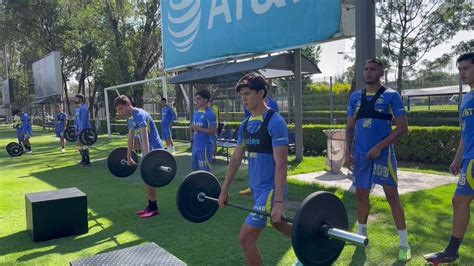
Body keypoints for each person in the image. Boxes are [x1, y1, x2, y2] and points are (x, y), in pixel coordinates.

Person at [218, 72, 291, 265]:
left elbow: (282, 164)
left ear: (261, 93)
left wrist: (278, 201)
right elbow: (235, 158)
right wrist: (224, 189)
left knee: (246, 237)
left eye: (248, 94)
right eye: (241, 95)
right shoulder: (246, 124)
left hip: (270, 190)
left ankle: (308, 243)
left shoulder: (275, 122)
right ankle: (309, 242)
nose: (243, 99)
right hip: (258, 190)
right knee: (280, 224)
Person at [344, 58, 411, 261]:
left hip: (383, 155)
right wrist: (348, 152)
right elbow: (350, 127)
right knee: (361, 195)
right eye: (365, 69)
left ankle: (404, 244)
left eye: (373, 69)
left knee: (392, 196)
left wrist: (379, 147)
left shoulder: (392, 96)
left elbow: (402, 128)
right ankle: (362, 236)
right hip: (361, 156)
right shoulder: (355, 97)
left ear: (381, 73)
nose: (368, 72)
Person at [424, 52, 474, 264]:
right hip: (470, 159)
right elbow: (465, 133)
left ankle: (452, 251)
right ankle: (451, 252)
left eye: (466, 69)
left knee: (460, 200)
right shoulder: (467, 98)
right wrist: (457, 159)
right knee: (459, 200)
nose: (461, 73)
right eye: (459, 69)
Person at [114, 95, 165, 219]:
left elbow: (145, 138)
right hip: (147, 151)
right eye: (118, 110)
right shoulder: (131, 118)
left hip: (155, 150)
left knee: (148, 178)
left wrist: (147, 158)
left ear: (128, 104)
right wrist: (128, 156)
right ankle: (151, 205)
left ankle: (154, 208)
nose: (120, 112)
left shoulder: (140, 114)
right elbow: (130, 138)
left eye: (121, 109)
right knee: (146, 178)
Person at [240, 92, 280, 196]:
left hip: (265, 134)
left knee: (268, 160)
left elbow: (271, 117)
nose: (244, 97)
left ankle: (272, 190)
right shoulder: (248, 106)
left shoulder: (272, 104)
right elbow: (249, 115)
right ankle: (253, 186)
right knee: (254, 160)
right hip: (251, 130)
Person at [189, 89, 216, 171]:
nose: (196, 100)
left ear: (206, 100)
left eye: (199, 98)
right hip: (195, 146)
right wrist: (192, 128)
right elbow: (196, 128)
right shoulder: (196, 113)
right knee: (195, 170)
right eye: (196, 98)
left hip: (205, 147)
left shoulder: (210, 114)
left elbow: (213, 131)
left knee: (205, 171)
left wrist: (198, 129)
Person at [74, 94, 92, 166]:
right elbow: (76, 120)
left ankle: (87, 161)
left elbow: (83, 121)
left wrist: (80, 131)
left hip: (85, 130)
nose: (75, 100)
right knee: (79, 144)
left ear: (80, 99)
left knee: (84, 145)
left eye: (76, 99)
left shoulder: (84, 108)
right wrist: (75, 130)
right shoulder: (77, 109)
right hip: (79, 129)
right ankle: (83, 159)